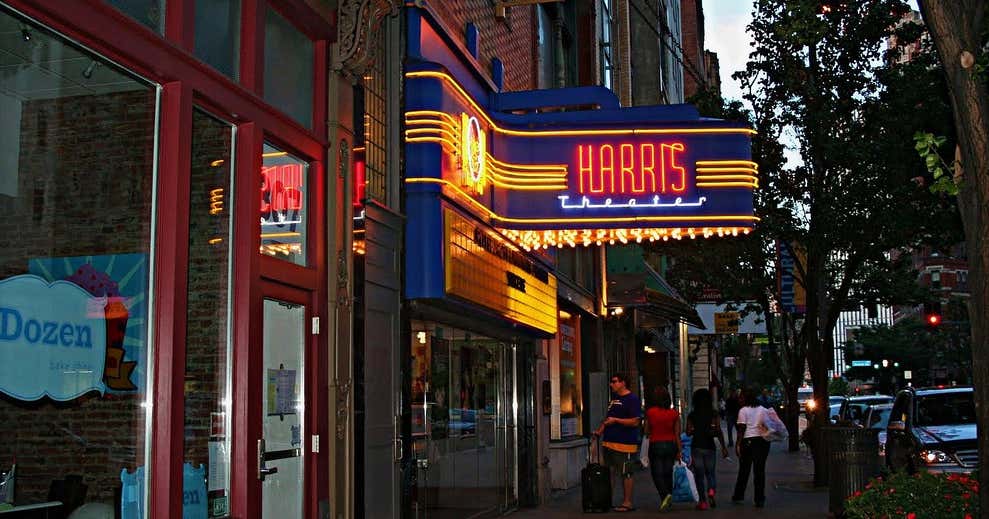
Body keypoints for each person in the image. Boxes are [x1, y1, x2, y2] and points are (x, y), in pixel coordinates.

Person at [593, 373, 642, 513]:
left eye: (614, 382)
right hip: (609, 443)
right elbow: (608, 418)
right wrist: (599, 432)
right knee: (609, 473)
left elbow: (635, 421)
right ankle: (607, 500)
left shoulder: (632, 399)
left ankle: (627, 502)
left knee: (626, 473)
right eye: (611, 382)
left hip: (625, 443)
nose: (611, 384)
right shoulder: (614, 399)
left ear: (623, 383)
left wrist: (616, 421)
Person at [686, 388, 729, 510]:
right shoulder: (714, 414)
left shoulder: (692, 415)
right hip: (710, 447)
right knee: (710, 473)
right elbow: (718, 431)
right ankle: (711, 490)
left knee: (699, 475)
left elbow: (688, 432)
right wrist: (724, 447)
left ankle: (703, 502)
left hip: (696, 447)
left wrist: (695, 430)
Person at [732, 387, 771, 508]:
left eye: (741, 397)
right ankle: (759, 499)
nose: (739, 399)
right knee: (759, 471)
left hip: (748, 441)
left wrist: (738, 444)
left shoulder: (743, 411)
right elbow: (767, 426)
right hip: (762, 442)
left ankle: (739, 495)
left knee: (744, 469)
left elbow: (741, 429)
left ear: (746, 398)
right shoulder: (763, 410)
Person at [644, 386, 680, 512]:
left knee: (657, 473)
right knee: (668, 472)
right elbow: (677, 434)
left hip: (656, 444)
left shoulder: (650, 412)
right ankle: (668, 496)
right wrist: (679, 451)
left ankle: (664, 495)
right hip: (671, 445)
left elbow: (646, 431)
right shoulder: (674, 413)